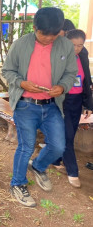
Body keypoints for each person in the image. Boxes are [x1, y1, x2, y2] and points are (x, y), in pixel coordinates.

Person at [2, 7, 78, 207]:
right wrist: (21, 83)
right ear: (35, 27)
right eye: (44, 34)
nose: (48, 39)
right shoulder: (20, 45)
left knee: (58, 146)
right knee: (26, 146)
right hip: (26, 105)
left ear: (61, 30)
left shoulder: (66, 47)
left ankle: (38, 166)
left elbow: (71, 74)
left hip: (52, 105)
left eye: (54, 35)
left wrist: (62, 87)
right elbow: (7, 71)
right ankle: (17, 183)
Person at [52, 29, 93, 188]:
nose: (76, 48)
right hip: (61, 100)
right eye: (73, 45)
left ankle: (54, 159)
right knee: (67, 136)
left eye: (80, 45)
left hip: (76, 102)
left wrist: (88, 104)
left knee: (69, 133)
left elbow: (86, 80)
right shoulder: (58, 57)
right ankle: (73, 171)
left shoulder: (82, 57)